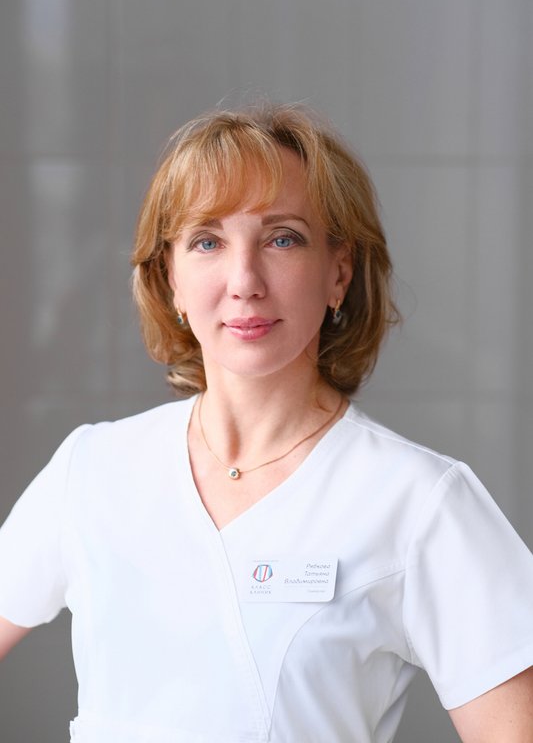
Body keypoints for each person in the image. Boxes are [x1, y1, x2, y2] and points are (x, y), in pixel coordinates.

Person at [1, 102, 532, 743]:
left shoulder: (419, 501)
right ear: (170, 278)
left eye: (283, 238)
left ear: (339, 273)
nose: (244, 281)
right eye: (207, 242)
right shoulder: (93, 470)